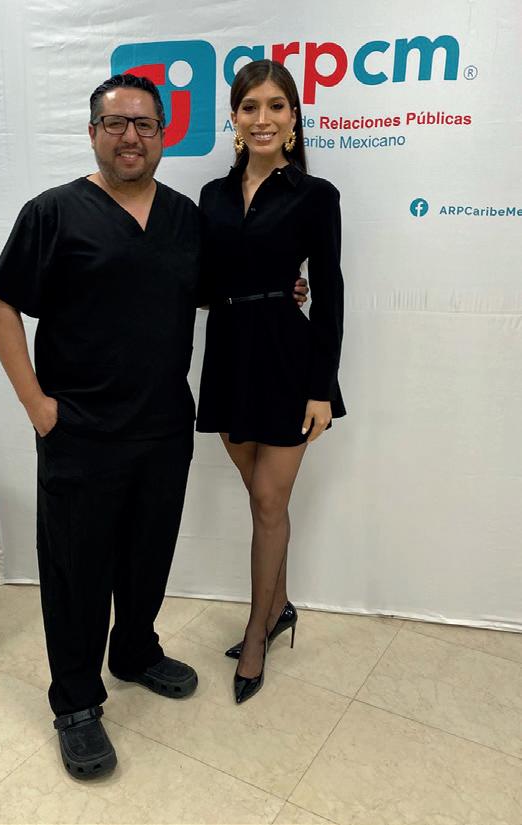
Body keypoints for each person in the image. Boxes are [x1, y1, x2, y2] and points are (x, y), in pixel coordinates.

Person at [0, 71, 310, 777]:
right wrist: (37, 405)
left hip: (163, 425)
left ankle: (134, 650)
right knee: (76, 571)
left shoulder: (185, 218)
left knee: (146, 555)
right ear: (93, 133)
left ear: (163, 134)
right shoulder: (53, 213)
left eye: (144, 124)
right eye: (115, 123)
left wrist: (281, 286)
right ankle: (76, 701)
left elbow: (211, 292)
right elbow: (0, 305)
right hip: (80, 431)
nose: (130, 136)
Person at [195, 59, 346, 704]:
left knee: (267, 502)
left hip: (289, 360)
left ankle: (256, 631)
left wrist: (322, 387)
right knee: (263, 502)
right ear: (234, 117)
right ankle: (279, 604)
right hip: (230, 355)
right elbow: (201, 284)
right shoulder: (212, 196)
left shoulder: (316, 195)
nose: (263, 118)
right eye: (250, 106)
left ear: (293, 119)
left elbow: (331, 292)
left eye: (276, 106)